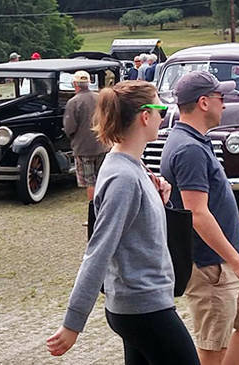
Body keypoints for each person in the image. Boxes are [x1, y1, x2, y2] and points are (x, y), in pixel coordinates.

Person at [47, 80, 195, 364]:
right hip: (143, 308)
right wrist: (73, 323)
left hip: (141, 304)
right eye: (161, 110)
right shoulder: (123, 177)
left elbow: (140, 231)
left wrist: (160, 200)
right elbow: (98, 251)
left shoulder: (132, 165)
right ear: (145, 116)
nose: (163, 117)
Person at [161, 71, 239, 365]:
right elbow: (197, 213)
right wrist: (238, 264)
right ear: (204, 102)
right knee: (212, 350)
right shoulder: (189, 149)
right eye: (221, 97)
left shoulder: (194, 140)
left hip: (222, 262)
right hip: (211, 267)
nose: (225, 103)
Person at [63, 71, 109, 201]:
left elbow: (69, 127)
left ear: (75, 84)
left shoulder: (73, 102)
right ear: (88, 83)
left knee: (90, 181)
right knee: (101, 178)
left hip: (84, 149)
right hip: (102, 145)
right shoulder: (99, 98)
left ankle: (93, 210)